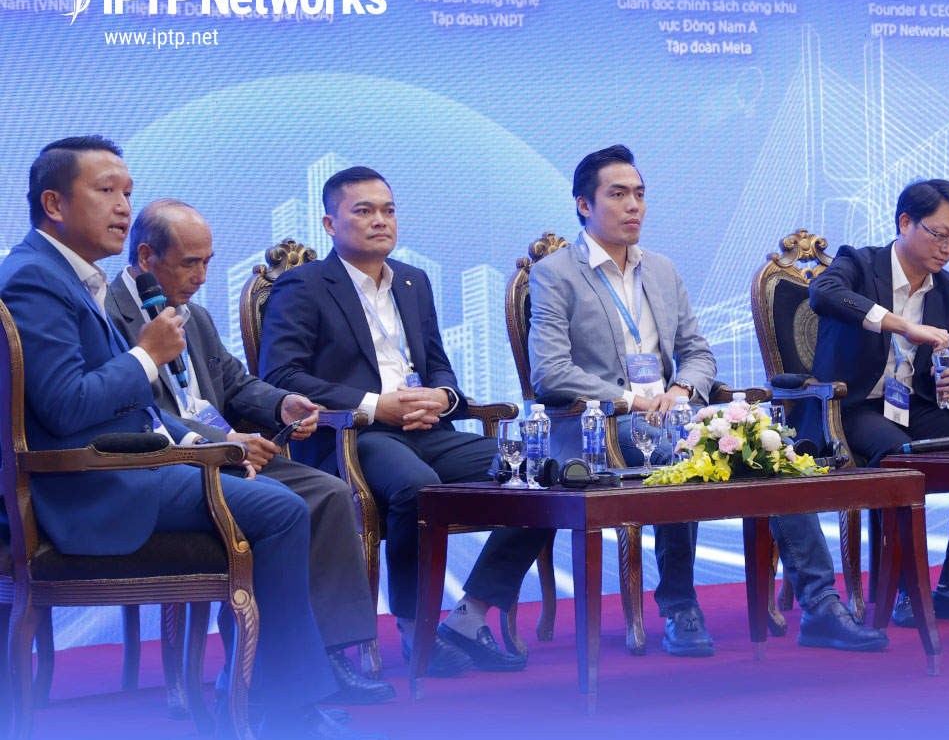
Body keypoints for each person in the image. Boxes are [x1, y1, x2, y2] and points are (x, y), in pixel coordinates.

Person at [0, 136, 376, 740]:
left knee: (291, 499)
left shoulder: (64, 275)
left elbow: (139, 409)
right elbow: (68, 406)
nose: (123, 206)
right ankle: (281, 709)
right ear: (53, 203)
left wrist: (205, 446)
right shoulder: (34, 280)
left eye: (127, 192)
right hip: (90, 487)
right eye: (105, 191)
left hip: (133, 465)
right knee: (280, 510)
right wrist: (147, 357)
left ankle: (264, 695)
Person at [526, 144, 887, 653]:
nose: (634, 206)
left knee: (771, 448)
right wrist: (633, 400)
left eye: (639, 194)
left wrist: (680, 390)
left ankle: (821, 605)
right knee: (680, 450)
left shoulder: (661, 270)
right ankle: (680, 606)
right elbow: (550, 371)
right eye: (618, 194)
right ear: (584, 205)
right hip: (600, 425)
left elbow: (697, 353)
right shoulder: (555, 273)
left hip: (675, 412)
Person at [259, 166, 548, 676]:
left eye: (388, 210)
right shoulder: (302, 286)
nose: (380, 220)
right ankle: (417, 629)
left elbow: (438, 363)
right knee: (416, 485)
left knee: (540, 470)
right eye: (364, 211)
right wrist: (375, 404)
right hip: (354, 436)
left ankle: (469, 615)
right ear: (329, 224)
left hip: (427, 429)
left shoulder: (413, 281)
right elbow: (281, 375)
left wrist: (442, 396)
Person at [105, 199, 392, 704]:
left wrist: (282, 404)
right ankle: (254, 667)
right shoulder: (108, 314)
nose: (202, 277)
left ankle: (328, 655)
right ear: (146, 256)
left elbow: (236, 385)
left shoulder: (194, 316)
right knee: (282, 506)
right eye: (190, 263)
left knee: (328, 492)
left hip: (228, 452)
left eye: (208, 262)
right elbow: (134, 410)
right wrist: (220, 441)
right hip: (171, 461)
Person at [803, 179, 949, 627]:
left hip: (913, 405)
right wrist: (903, 326)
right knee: (899, 453)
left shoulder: (946, 288)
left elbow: (944, 355)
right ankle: (901, 591)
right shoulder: (859, 263)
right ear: (905, 222)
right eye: (940, 235)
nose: (948, 249)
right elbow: (823, 293)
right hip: (851, 406)